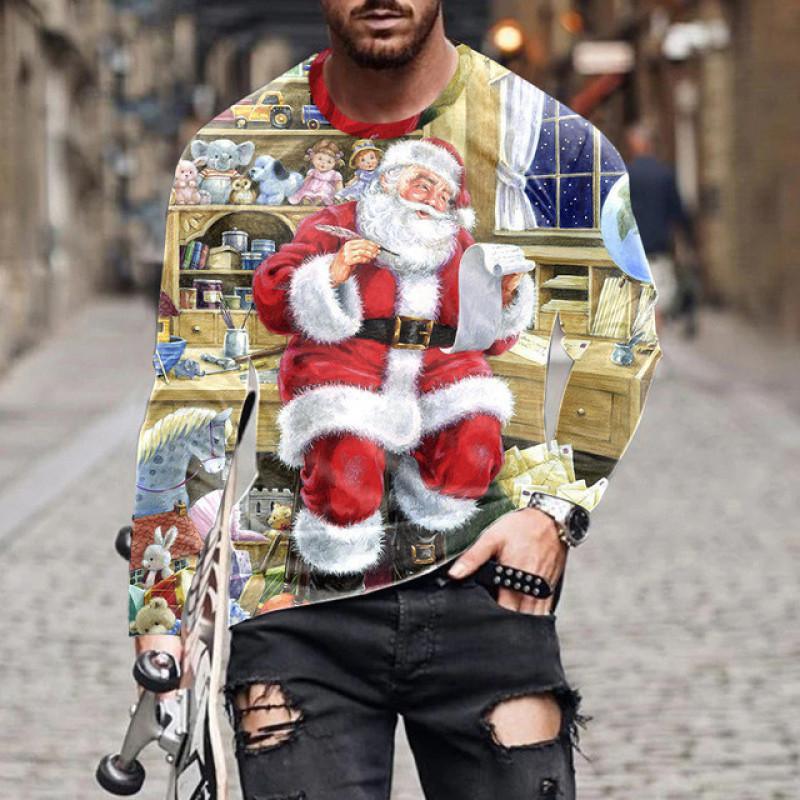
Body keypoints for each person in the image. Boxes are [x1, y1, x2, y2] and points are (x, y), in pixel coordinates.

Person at [128, 2, 661, 798]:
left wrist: (554, 511)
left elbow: (623, 341)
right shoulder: (230, 154)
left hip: (489, 589)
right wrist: (162, 614)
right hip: (292, 595)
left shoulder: (547, 142)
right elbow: (195, 387)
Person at [626, 121, 697, 332]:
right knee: (657, 302)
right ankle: (656, 347)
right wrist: (690, 242)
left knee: (635, 302)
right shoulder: (665, 175)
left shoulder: (625, 175)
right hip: (659, 250)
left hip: (631, 251)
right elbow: (679, 213)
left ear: (636, 145)